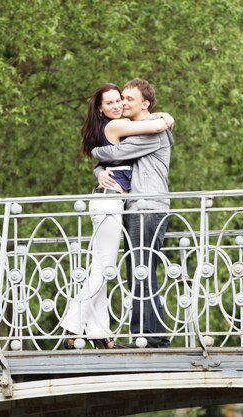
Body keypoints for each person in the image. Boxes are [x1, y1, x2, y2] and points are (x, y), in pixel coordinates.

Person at [60, 83, 173, 350]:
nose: (121, 103)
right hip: (122, 204)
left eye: (126, 98)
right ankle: (98, 330)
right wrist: (99, 169)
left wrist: (97, 157)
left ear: (145, 104)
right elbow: (114, 155)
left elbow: (117, 153)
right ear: (100, 107)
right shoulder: (121, 127)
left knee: (135, 271)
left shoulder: (148, 131)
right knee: (113, 269)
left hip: (146, 206)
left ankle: (145, 337)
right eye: (115, 100)